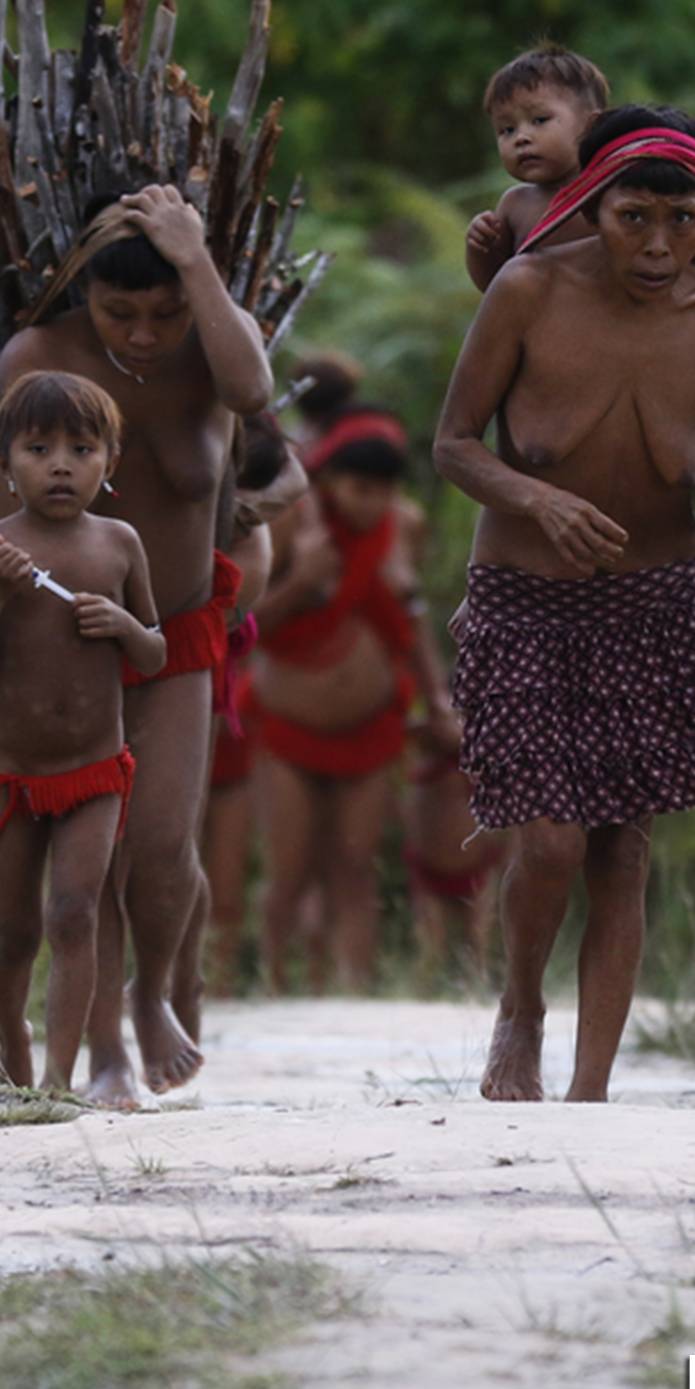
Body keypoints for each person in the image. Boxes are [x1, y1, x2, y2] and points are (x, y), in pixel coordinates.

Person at [431, 105, 695, 1102]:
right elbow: (453, 444)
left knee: (622, 848)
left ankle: (590, 1096)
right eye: (634, 218)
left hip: (657, 604)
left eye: (681, 220)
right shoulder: (528, 290)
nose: (658, 245)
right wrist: (536, 500)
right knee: (550, 838)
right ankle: (522, 1008)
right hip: (526, 598)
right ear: (591, 206)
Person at [0, 186, 274, 1107]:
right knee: (89, 858)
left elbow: (254, 394)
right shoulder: (39, 356)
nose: (144, 334)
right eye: (120, 312)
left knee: (161, 842)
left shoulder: (216, 346)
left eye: (165, 313)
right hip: (61, 644)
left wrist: (194, 259)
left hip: (175, 632)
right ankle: (105, 1054)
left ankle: (152, 993)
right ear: (83, 293)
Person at [0, 372, 166, 1096]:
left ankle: (58, 1081)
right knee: (14, 933)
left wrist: (124, 626)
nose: (61, 466)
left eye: (81, 449)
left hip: (95, 773)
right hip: (13, 777)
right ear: (3, 464)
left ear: (110, 462)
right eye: (39, 450)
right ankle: (13, 1035)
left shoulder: (120, 545)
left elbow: (155, 653)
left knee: (73, 914)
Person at [244, 412, 458, 994]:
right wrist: (303, 580)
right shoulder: (292, 525)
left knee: (356, 867)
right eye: (360, 489)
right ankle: (273, 984)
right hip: (288, 727)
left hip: (372, 727)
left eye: (383, 491)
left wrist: (437, 702)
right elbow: (247, 626)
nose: (372, 503)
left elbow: (410, 624)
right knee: (289, 870)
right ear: (331, 480)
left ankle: (354, 989)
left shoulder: (404, 526)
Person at [196, 412, 294, 1002]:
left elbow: (291, 476)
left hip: (223, 712)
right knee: (151, 855)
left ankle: (221, 979)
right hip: (159, 693)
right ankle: (154, 977)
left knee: (226, 872)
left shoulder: (257, 512)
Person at [464, 46, 612, 293]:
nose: (521, 137)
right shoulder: (515, 205)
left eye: (539, 120)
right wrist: (479, 248)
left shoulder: (614, 191)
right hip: (540, 316)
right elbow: (494, 285)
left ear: (591, 125)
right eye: (507, 129)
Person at [402, 722, 504, 988]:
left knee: (478, 945)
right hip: (427, 867)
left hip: (478, 865)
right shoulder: (423, 742)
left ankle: (476, 991)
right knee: (429, 947)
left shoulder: (485, 745)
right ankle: (423, 993)